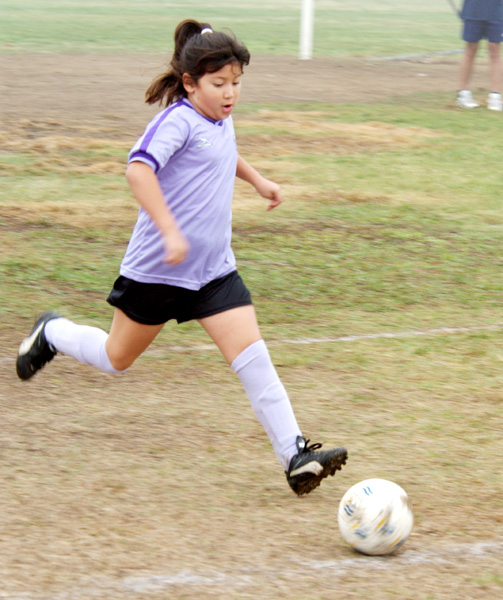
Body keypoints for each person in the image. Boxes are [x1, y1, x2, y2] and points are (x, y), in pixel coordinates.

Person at [16, 19, 347, 496]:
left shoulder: (220, 117)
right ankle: (52, 332)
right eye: (219, 84)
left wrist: (258, 181)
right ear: (190, 83)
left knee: (253, 358)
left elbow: (223, 152)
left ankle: (295, 457)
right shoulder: (176, 121)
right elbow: (138, 171)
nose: (230, 93)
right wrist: (170, 231)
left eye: (236, 83)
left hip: (213, 271)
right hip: (159, 270)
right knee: (115, 358)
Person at [457, 0, 503, 110]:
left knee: (494, 51)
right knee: (470, 50)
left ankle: (495, 96)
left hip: (497, 12)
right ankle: (463, 94)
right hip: (473, 11)